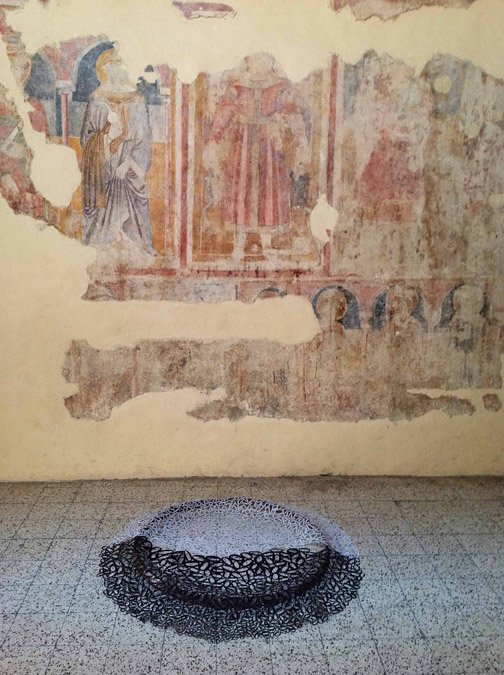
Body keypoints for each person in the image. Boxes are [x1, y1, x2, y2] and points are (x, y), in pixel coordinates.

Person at [80, 48, 155, 253]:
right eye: (112, 66)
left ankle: (135, 250)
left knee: (133, 220)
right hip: (103, 168)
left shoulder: (137, 100)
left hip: (129, 169)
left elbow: (144, 142)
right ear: (105, 70)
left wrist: (129, 163)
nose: (117, 71)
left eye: (120, 66)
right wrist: (106, 139)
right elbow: (87, 139)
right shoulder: (97, 100)